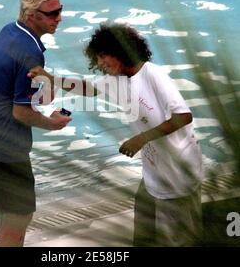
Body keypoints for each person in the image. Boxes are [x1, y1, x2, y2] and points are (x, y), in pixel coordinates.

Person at [28, 22, 203, 246]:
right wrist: (51, 80)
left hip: (178, 172)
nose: (99, 63)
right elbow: (88, 89)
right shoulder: (117, 80)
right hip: (153, 172)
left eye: (103, 56)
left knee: (180, 239)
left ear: (120, 50)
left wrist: (140, 139)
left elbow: (183, 116)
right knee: (143, 236)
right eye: (97, 58)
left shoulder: (153, 75)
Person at [0, 0, 71, 247]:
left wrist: (46, 83)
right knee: (17, 219)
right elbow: (21, 112)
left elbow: (20, 89)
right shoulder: (30, 50)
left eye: (60, 10)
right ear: (31, 15)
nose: (59, 18)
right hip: (4, 149)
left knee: (11, 217)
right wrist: (52, 123)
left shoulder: (10, 32)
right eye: (52, 13)